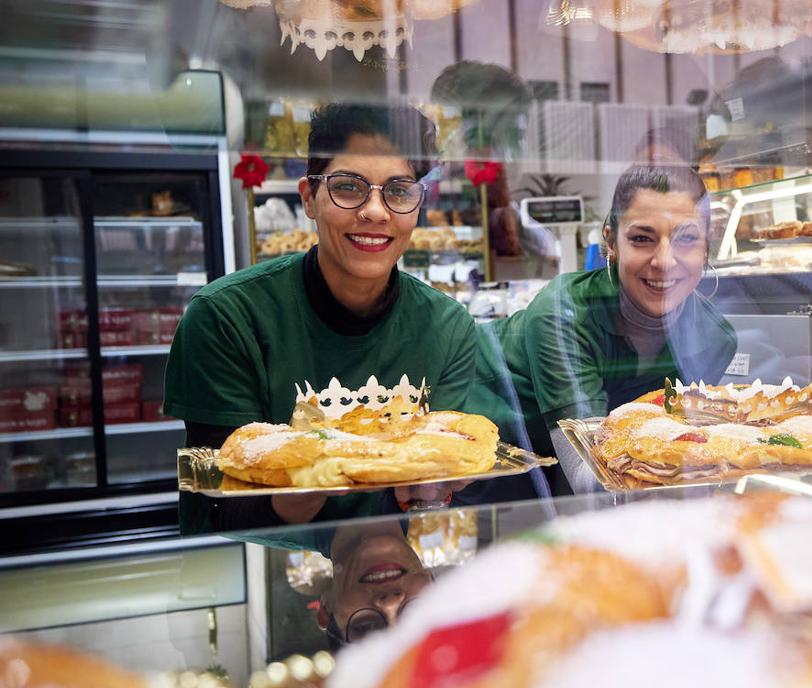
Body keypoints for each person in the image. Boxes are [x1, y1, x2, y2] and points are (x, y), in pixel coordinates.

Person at [165, 103, 476, 532]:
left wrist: (429, 486)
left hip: (389, 571)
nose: (375, 211)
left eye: (399, 191)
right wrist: (311, 484)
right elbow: (217, 508)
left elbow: (428, 490)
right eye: (349, 187)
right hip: (263, 577)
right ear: (309, 198)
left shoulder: (447, 327)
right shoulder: (227, 318)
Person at [469, 164, 737, 494]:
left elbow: (681, 445)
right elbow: (590, 477)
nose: (665, 261)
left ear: (707, 245)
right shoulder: (564, 313)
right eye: (642, 238)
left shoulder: (714, 338)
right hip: (484, 459)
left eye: (686, 238)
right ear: (611, 241)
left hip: (562, 474)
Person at [317, 518, 434, 650]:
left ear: (326, 609)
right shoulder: (449, 500)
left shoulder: (293, 514)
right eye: (414, 616)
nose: (391, 602)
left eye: (366, 626)